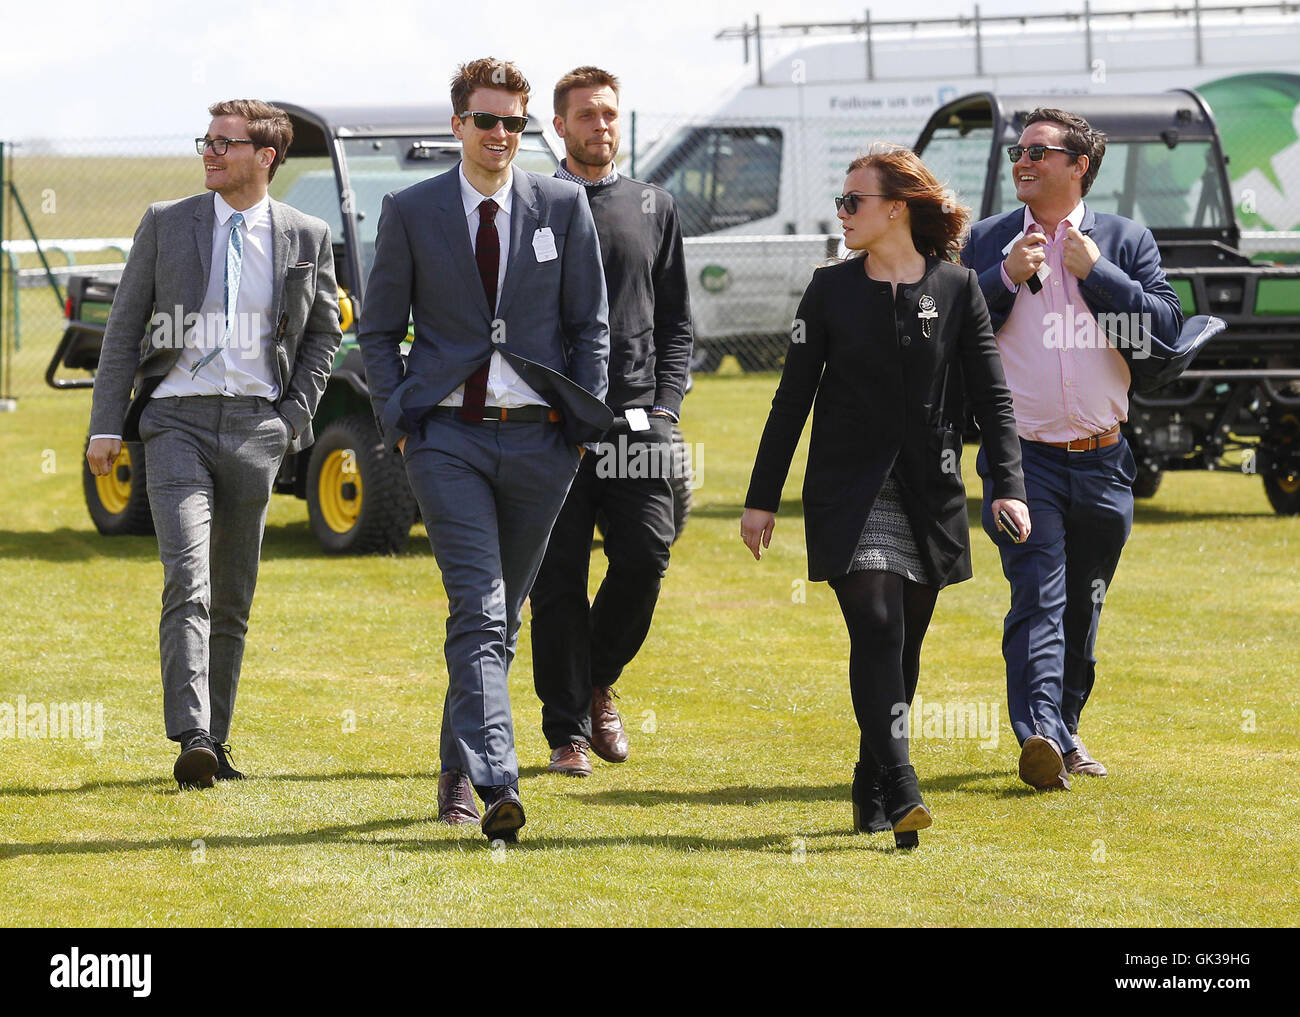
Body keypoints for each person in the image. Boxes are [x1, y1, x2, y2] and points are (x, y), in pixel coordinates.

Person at [741, 146, 1028, 848]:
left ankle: (870, 776)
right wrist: (761, 498)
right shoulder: (828, 290)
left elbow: (992, 396)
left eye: (852, 202)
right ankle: (903, 785)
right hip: (848, 489)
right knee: (874, 620)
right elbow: (791, 400)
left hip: (930, 490)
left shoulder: (959, 289)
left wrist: (1009, 486)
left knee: (904, 647)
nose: (842, 214)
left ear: (895, 208)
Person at [357, 58, 612, 842]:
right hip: (448, 442)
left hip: (542, 445)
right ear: (458, 125)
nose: (500, 135)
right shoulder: (410, 210)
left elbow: (589, 328)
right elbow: (376, 329)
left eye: (513, 121)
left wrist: (578, 424)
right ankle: (499, 778)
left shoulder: (563, 206)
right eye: (486, 120)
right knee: (480, 606)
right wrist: (402, 416)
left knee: (494, 625)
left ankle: (454, 775)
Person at [86, 100, 341, 789]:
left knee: (233, 594)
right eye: (207, 140)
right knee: (188, 578)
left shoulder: (306, 234)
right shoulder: (168, 224)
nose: (209, 152)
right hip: (175, 422)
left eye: (224, 143)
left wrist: (292, 418)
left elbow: (323, 334)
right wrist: (106, 425)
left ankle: (216, 743)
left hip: (259, 427)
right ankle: (191, 732)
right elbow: (123, 329)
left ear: (265, 157)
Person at [961, 108, 1182, 790]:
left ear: (1078, 164)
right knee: (1037, 594)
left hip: (1105, 458)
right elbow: (948, 333)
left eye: (1037, 151)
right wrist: (1000, 278)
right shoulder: (988, 243)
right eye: (1017, 151)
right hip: (1020, 462)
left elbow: (1166, 330)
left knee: (1083, 604)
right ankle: (1040, 737)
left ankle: (1066, 727)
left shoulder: (1125, 239)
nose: (1021, 161)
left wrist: (1101, 274)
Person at [528, 66, 693, 776]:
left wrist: (664, 406)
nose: (601, 126)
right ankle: (566, 728)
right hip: (551, 424)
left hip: (636, 423)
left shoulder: (655, 205)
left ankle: (597, 678)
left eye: (611, 115)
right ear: (559, 125)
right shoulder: (531, 205)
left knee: (646, 555)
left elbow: (678, 322)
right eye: (587, 115)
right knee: (557, 576)